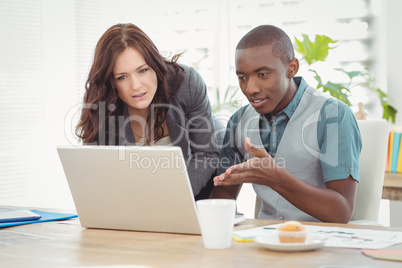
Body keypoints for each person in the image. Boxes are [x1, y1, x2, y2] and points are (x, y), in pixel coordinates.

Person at [210, 25, 362, 223]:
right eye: (242, 77)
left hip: (322, 241)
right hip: (263, 240)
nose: (250, 88)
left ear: (292, 68)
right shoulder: (238, 121)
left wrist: (276, 178)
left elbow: (340, 212)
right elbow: (223, 198)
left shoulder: (332, 115)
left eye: (262, 74)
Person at [75, 23, 223, 200]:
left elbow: (205, 154)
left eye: (143, 70)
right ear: (110, 82)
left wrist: (175, 199)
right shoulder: (102, 102)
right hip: (138, 200)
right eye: (122, 77)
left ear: (155, 65)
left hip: (198, 188)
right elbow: (97, 173)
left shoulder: (186, 83)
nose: (136, 86)